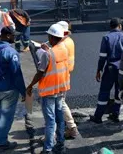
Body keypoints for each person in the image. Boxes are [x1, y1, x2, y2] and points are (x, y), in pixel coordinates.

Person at [26, 24, 70, 154]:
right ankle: (60, 145)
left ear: (51, 37)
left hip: (49, 92)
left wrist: (30, 86)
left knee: (50, 122)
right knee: (59, 119)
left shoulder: (47, 55)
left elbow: (40, 73)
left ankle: (48, 149)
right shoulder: (64, 49)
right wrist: (48, 49)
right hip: (61, 90)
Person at [89, 18, 123, 124]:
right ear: (120, 26)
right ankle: (115, 114)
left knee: (104, 91)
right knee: (119, 91)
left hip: (110, 68)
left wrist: (99, 70)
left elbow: (102, 56)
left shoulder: (106, 38)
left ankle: (98, 116)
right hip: (122, 69)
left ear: (110, 26)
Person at [56, 21, 79, 139]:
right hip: (65, 75)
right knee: (60, 101)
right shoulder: (69, 41)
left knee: (60, 102)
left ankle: (71, 127)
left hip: (60, 76)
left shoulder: (63, 44)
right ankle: (67, 125)